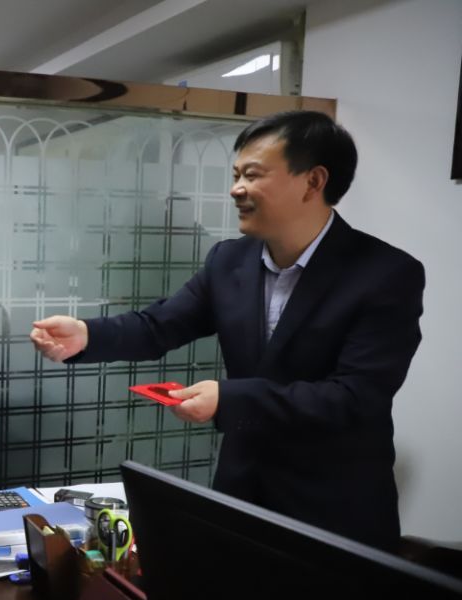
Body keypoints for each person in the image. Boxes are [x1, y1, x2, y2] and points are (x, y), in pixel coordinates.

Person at [31, 110, 424, 551]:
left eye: (252, 175)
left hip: (332, 510)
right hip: (240, 495)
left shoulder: (385, 274)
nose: (236, 189)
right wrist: (87, 335)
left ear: (313, 181)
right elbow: (160, 326)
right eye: (236, 175)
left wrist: (229, 398)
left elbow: (354, 397)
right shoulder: (230, 260)